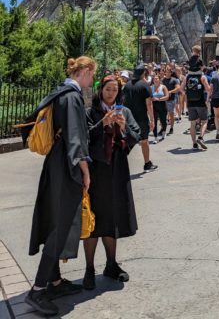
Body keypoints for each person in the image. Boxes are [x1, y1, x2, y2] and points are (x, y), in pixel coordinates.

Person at [26, 56, 97, 317]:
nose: (92, 82)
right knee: (62, 224)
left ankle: (54, 282)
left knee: (57, 220)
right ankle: (38, 288)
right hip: (67, 167)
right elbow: (75, 138)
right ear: (86, 71)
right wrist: (85, 171)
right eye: (92, 75)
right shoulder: (72, 96)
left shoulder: (59, 93)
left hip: (55, 164)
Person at [82, 75, 141, 290]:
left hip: (117, 171)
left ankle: (111, 264)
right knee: (94, 219)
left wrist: (123, 129)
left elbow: (137, 133)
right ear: (100, 90)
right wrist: (102, 124)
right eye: (108, 89)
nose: (111, 93)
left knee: (112, 218)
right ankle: (89, 268)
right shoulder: (90, 112)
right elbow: (83, 138)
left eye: (115, 90)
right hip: (97, 171)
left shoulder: (124, 111)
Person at [123, 64, 158, 173]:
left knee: (128, 140)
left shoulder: (127, 85)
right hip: (141, 117)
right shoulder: (145, 85)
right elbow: (149, 104)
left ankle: (121, 164)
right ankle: (147, 163)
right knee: (144, 141)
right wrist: (152, 120)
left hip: (128, 118)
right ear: (143, 73)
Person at [181, 53, 210, 150]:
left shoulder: (187, 77)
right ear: (200, 66)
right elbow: (208, 90)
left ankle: (194, 143)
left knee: (192, 123)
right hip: (201, 101)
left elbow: (181, 90)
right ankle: (201, 137)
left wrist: (187, 93)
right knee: (204, 121)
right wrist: (207, 98)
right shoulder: (202, 77)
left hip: (190, 103)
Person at [151, 74, 169, 142]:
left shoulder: (163, 87)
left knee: (163, 121)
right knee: (154, 122)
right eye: (154, 79)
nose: (155, 80)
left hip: (162, 105)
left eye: (157, 78)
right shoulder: (151, 87)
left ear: (159, 79)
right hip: (154, 106)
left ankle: (164, 132)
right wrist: (152, 99)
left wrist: (159, 99)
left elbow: (167, 96)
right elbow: (149, 98)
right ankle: (155, 137)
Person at [163, 65, 181, 135]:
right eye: (166, 72)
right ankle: (163, 128)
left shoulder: (174, 80)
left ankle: (171, 128)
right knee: (163, 114)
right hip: (163, 99)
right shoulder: (163, 80)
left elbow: (178, 88)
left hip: (171, 100)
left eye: (169, 72)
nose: (167, 73)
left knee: (171, 114)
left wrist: (170, 92)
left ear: (171, 72)